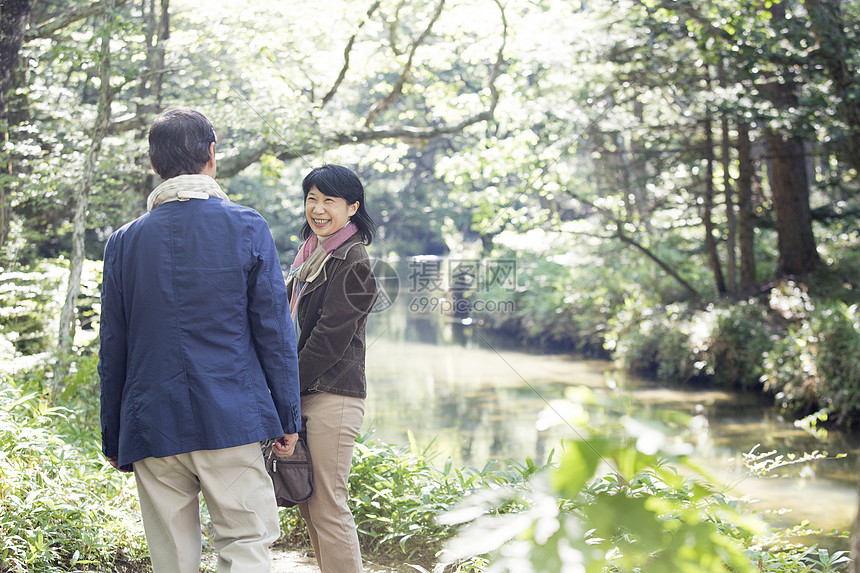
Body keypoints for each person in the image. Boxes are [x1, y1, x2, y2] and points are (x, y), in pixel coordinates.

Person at [99, 108, 302, 573]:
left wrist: (114, 433)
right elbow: (274, 333)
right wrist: (287, 416)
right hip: (232, 418)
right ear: (212, 155)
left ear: (154, 164)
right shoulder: (247, 225)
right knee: (246, 543)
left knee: (172, 558)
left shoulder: (123, 242)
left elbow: (114, 348)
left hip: (151, 422)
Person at [287, 164, 378, 573]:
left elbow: (327, 341)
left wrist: (283, 388)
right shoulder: (312, 255)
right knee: (311, 505)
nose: (318, 209)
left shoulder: (353, 262)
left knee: (328, 505)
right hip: (305, 391)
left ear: (352, 208)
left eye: (329, 201)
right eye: (312, 199)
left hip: (333, 396)